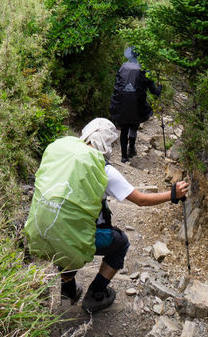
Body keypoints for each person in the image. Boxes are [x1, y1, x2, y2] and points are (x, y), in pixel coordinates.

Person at [24, 118, 189, 313]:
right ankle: (96, 294)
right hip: (71, 238)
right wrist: (172, 194)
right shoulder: (104, 170)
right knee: (120, 243)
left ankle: (68, 290)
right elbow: (140, 200)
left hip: (41, 230)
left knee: (63, 231)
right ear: (107, 144)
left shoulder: (62, 158)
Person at [109, 45, 162, 163]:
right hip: (137, 105)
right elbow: (154, 91)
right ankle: (131, 149)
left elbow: (117, 85)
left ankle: (123, 157)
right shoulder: (144, 69)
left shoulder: (122, 67)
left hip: (121, 103)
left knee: (124, 129)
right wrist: (159, 88)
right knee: (134, 125)